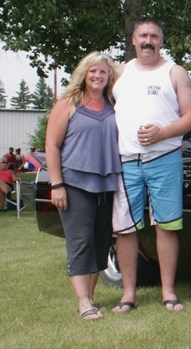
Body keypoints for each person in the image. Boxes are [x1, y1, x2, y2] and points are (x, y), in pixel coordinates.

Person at [111, 15, 191, 313]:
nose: (148, 41)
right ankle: (128, 295)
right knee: (124, 229)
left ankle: (169, 293)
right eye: (142, 36)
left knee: (167, 226)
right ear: (133, 40)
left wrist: (162, 133)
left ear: (162, 41)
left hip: (165, 159)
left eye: (154, 36)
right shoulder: (119, 73)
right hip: (126, 162)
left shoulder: (175, 72)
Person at [44, 51, 122, 320]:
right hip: (75, 184)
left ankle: (90, 298)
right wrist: (57, 185)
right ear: (83, 74)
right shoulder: (68, 104)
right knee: (80, 243)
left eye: (103, 71)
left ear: (110, 76)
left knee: (100, 243)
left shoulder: (115, 104)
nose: (98, 76)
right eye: (93, 71)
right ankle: (83, 301)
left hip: (107, 184)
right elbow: (52, 146)